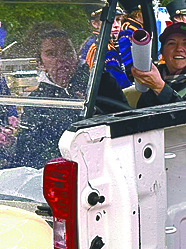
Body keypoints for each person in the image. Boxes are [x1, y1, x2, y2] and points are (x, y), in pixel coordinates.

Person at [15, 25, 128, 167]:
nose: (61, 59)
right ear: (40, 64)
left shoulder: (102, 83)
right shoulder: (37, 100)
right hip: (61, 169)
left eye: (67, 51)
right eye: (51, 54)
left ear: (76, 55)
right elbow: (30, 150)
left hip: (106, 162)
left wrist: (95, 113)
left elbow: (126, 123)